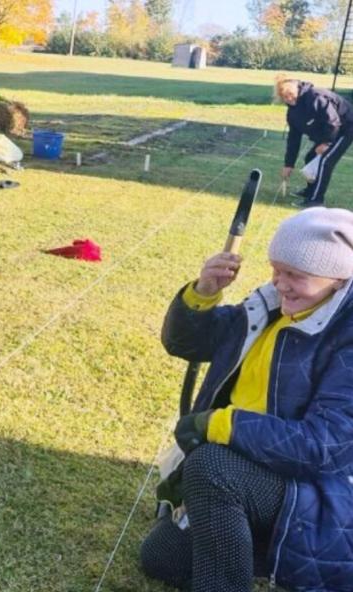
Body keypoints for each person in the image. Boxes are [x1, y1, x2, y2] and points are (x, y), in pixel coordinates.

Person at [140, 207, 353, 592]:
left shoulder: (347, 337)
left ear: (338, 280)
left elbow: (324, 447)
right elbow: (187, 343)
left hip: (319, 497)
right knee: (159, 558)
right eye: (276, 269)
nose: (280, 283)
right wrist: (204, 292)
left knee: (211, 466)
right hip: (250, 474)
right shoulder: (271, 307)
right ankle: (254, 546)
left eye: (295, 276)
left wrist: (220, 424)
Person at [275, 76, 353, 208]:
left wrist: (326, 143)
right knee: (311, 157)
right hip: (330, 130)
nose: (289, 99)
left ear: (297, 90)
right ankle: (309, 191)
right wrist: (289, 164)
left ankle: (316, 200)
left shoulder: (315, 97)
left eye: (291, 95)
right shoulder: (292, 114)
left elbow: (333, 122)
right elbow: (293, 139)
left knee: (325, 161)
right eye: (284, 97)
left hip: (346, 127)